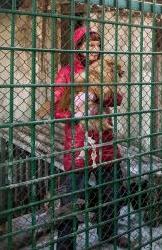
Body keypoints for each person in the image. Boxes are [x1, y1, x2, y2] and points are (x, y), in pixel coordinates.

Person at [54, 25, 129, 249]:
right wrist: (75, 113)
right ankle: (66, 244)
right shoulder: (67, 73)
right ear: (79, 48)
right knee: (73, 197)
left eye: (98, 45)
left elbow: (117, 98)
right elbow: (57, 108)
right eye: (89, 45)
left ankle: (108, 233)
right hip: (79, 142)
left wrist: (98, 96)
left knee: (111, 190)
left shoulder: (104, 68)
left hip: (104, 138)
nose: (95, 49)